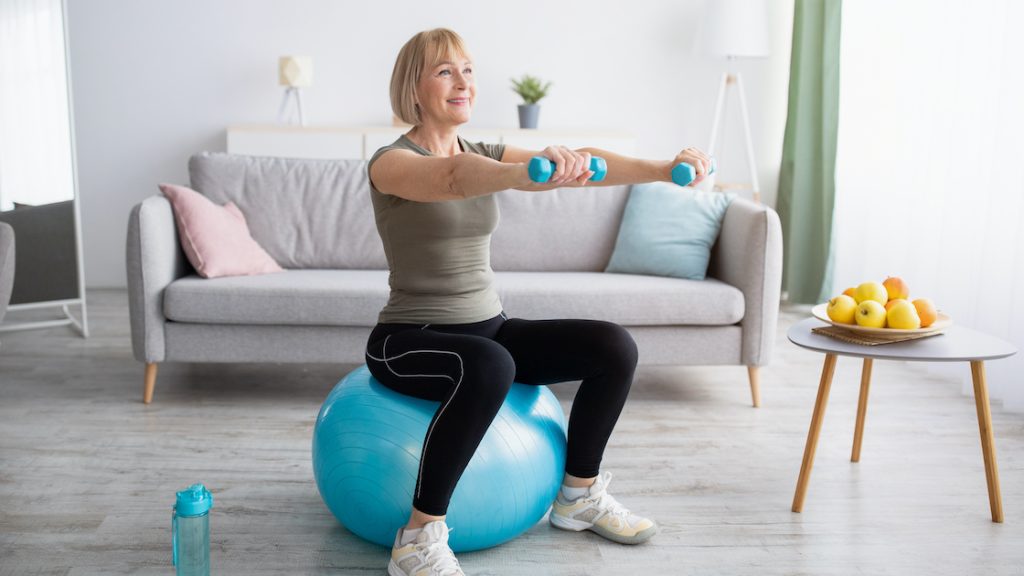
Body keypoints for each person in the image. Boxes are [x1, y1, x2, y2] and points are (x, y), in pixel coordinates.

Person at [366, 28, 712, 576]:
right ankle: (416, 539)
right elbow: (453, 179)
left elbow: (583, 162)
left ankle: (578, 496)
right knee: (491, 365)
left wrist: (660, 170)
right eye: (445, 71)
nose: (464, 82)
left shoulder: (484, 150)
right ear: (414, 86)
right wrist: (524, 173)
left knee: (611, 345)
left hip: (489, 327)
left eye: (469, 69)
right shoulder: (390, 161)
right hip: (409, 338)